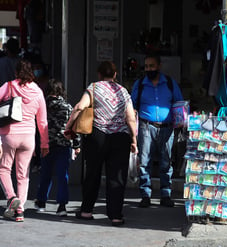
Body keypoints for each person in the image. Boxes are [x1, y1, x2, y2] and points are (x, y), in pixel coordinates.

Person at [64, 61, 137, 226]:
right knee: (117, 177)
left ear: (99, 74)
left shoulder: (94, 87)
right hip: (120, 137)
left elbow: (79, 107)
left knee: (92, 173)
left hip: (97, 135)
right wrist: (134, 139)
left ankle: (86, 211)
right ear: (115, 75)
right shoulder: (123, 91)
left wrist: (69, 128)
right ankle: (116, 215)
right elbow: (130, 117)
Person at [131, 53, 183, 208]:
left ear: (159, 66)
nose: (149, 69)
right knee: (144, 161)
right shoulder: (140, 84)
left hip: (167, 128)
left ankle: (166, 194)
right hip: (146, 126)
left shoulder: (169, 83)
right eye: (146, 66)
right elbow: (132, 106)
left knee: (166, 162)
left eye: (152, 66)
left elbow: (179, 103)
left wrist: (181, 122)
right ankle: (145, 195)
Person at [0, 59, 49, 222]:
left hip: (9, 135)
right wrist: (44, 143)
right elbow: (42, 122)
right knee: (23, 175)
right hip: (28, 138)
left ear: (16, 72)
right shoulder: (38, 91)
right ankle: (19, 211)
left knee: (4, 169)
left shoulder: (9, 86)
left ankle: (11, 198)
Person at [34, 79, 81, 216]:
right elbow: (73, 127)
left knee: (45, 175)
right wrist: (76, 145)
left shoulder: (42, 106)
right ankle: (61, 206)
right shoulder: (67, 106)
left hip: (46, 144)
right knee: (63, 176)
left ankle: (41, 202)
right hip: (63, 145)